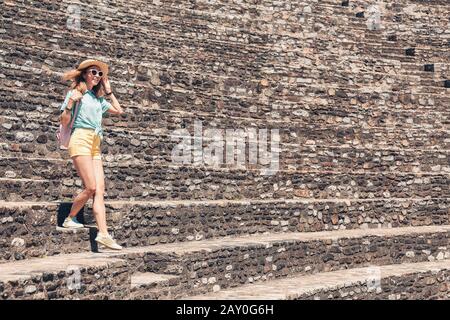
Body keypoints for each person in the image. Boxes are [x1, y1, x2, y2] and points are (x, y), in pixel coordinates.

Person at [59, 59, 124, 250]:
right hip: (80, 138)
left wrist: (109, 91)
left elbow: (120, 111)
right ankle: (69, 218)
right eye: (93, 72)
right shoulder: (76, 93)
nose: (97, 76)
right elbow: (64, 121)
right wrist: (71, 101)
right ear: (85, 74)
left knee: (100, 191)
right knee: (91, 187)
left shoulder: (99, 100)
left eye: (100, 74)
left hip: (95, 142)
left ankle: (103, 234)